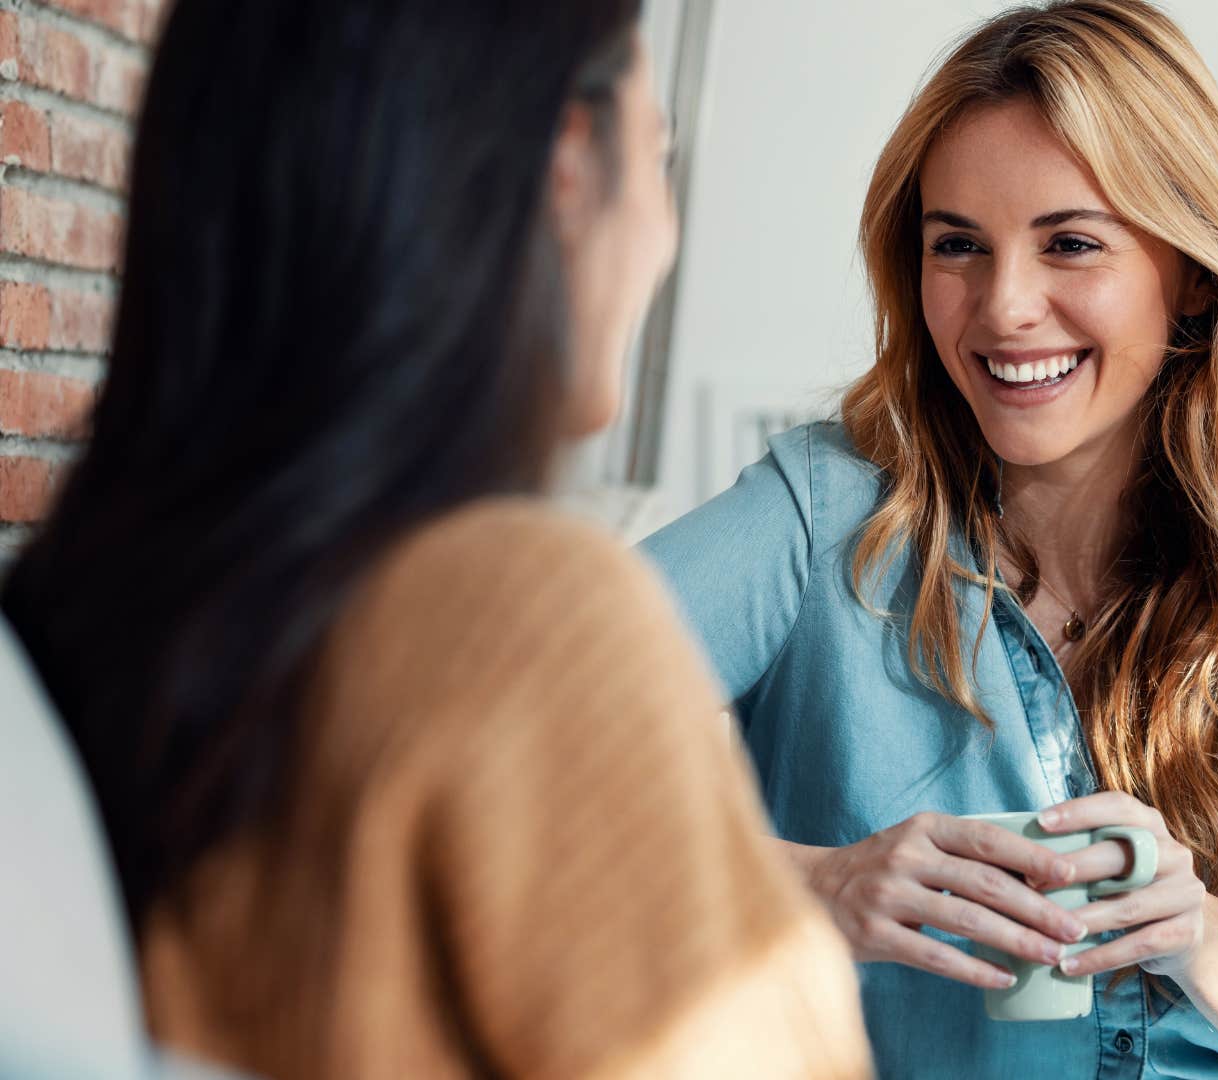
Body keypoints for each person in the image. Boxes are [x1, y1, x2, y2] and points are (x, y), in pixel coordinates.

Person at [0, 1, 870, 1077]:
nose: (664, 225)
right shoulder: (527, 614)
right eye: (661, 151)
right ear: (566, 162)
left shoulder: (104, 597)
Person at [642, 1, 1218, 1077]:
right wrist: (812, 885)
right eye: (960, 247)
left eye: (1071, 242)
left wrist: (1197, 936)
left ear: (1187, 268)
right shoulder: (825, 520)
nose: (1004, 308)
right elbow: (484, 723)